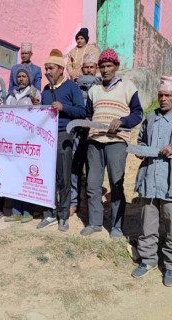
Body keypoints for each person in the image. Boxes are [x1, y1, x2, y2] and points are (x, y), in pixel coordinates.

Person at [131, 76, 172, 287]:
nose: (163, 99)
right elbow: (141, 141)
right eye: (160, 95)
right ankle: (148, 260)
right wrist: (140, 151)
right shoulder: (150, 118)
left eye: (168, 95)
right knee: (147, 225)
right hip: (150, 180)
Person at [81, 49, 143, 239]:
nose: (105, 70)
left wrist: (123, 121)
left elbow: (137, 113)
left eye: (109, 66)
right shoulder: (94, 90)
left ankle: (116, 225)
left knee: (116, 183)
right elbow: (89, 114)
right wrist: (86, 123)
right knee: (92, 184)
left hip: (117, 141)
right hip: (95, 141)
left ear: (116, 66)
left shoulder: (128, 87)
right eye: (102, 66)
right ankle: (95, 223)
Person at [36, 49, 86, 232]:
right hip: (46, 137)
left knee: (64, 176)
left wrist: (63, 107)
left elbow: (82, 112)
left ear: (60, 69)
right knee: (47, 177)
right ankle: (49, 213)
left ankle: (63, 215)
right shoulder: (46, 89)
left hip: (64, 134)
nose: (47, 72)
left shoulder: (72, 88)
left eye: (50, 68)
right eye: (46, 69)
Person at [4, 65, 40, 223]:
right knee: (15, 174)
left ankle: (28, 211)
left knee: (27, 175)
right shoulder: (12, 95)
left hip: (28, 141)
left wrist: (36, 103)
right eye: (18, 77)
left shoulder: (34, 93)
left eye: (23, 76)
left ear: (29, 79)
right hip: (13, 141)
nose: (20, 79)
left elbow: (40, 114)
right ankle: (16, 210)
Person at [70, 53, 102, 216]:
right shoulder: (75, 86)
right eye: (86, 67)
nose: (89, 70)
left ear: (96, 68)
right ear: (82, 68)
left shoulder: (102, 86)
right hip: (78, 133)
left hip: (95, 135)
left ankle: (91, 204)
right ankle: (74, 202)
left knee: (93, 171)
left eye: (92, 67)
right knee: (75, 169)